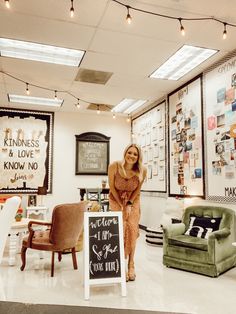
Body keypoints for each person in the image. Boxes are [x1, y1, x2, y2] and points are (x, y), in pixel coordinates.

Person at [108, 144, 147, 281]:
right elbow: (112, 187)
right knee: (120, 229)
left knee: (131, 227)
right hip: (116, 198)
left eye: (135, 154)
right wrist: (120, 204)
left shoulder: (142, 170)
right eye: (129, 152)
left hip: (133, 200)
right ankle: (121, 264)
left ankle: (131, 263)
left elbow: (138, 190)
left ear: (138, 157)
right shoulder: (114, 166)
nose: (131, 156)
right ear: (125, 153)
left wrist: (129, 203)